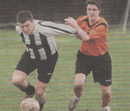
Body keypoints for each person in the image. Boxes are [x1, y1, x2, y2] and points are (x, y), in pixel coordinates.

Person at [12, 10, 78, 111]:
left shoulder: (44, 27)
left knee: (40, 92)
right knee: (16, 80)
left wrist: (83, 33)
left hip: (48, 59)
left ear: (32, 21)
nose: (25, 29)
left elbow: (71, 30)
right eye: (22, 26)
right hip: (30, 55)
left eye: (27, 25)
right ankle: (30, 91)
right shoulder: (18, 28)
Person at [64, 0, 112, 111]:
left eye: (94, 10)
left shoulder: (102, 24)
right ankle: (77, 97)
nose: (91, 12)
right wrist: (58, 31)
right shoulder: (83, 20)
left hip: (101, 59)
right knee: (78, 85)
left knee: (106, 93)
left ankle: (105, 106)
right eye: (89, 9)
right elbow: (69, 27)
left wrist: (76, 25)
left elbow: (85, 37)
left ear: (99, 10)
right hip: (84, 57)